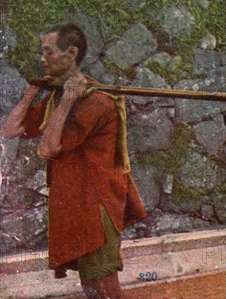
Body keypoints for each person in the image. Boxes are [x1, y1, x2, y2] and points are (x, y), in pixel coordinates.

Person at [0, 24, 147, 298]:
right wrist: (31, 94)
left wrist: (69, 99)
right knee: (91, 287)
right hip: (74, 203)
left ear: (71, 54)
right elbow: (8, 130)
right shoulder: (56, 96)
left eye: (48, 52)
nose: (42, 59)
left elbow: (48, 148)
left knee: (104, 286)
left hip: (96, 204)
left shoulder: (96, 101)